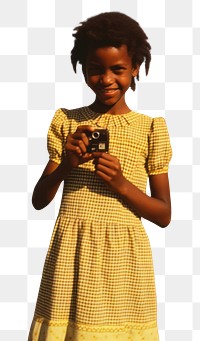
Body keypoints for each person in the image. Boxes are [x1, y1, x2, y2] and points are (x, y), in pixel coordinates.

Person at [28, 12, 172, 341]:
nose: (106, 79)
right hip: (71, 253)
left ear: (135, 67)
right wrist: (67, 164)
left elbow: (164, 214)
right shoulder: (67, 122)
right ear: (83, 68)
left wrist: (121, 184)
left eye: (118, 69)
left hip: (124, 258)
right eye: (95, 69)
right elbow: (39, 200)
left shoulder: (150, 129)